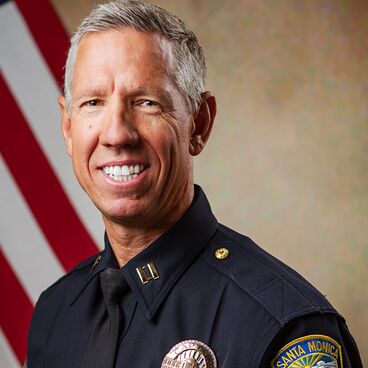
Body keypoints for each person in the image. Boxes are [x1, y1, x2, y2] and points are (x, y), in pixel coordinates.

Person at [26, 1, 363, 367]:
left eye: (146, 102)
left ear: (198, 124)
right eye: (93, 102)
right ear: (67, 127)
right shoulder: (55, 314)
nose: (116, 134)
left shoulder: (283, 328)